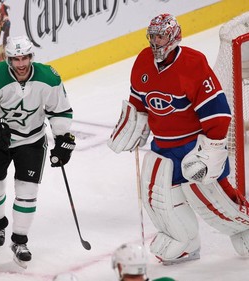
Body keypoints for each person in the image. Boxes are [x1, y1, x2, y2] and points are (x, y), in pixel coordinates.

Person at [107, 13, 249, 265]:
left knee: (214, 198)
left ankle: (244, 228)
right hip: (162, 146)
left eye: (160, 36)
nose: (155, 42)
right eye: (152, 36)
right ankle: (184, 242)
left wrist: (213, 149)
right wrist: (134, 125)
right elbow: (139, 102)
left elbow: (217, 112)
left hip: (192, 145)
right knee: (159, 200)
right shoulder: (143, 60)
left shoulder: (193, 63)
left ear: (173, 37)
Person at [0, 35, 75, 268]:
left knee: (27, 191)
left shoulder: (49, 77)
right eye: (15, 59)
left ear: (31, 57)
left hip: (32, 140)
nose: (20, 64)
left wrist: (61, 137)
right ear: (8, 59)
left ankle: (20, 240)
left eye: (24, 57)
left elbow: (60, 110)